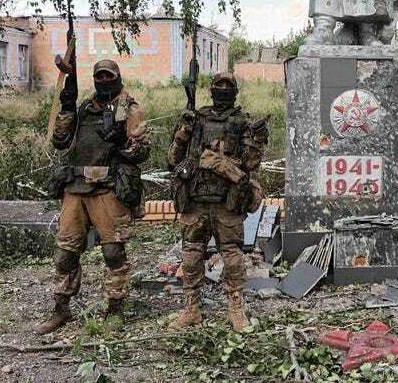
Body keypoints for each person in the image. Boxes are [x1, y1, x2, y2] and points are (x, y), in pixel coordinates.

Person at [36, 59, 150, 335]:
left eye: (108, 77)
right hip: (75, 188)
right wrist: (66, 107)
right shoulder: (84, 108)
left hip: (108, 189)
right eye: (99, 76)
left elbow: (143, 152)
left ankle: (114, 310)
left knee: (113, 252)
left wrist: (122, 142)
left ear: (118, 78)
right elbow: (60, 141)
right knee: (65, 253)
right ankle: (61, 308)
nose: (103, 81)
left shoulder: (129, 109)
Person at [167, 73, 268, 332]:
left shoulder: (243, 123)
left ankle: (236, 309)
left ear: (235, 91)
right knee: (191, 256)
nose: (223, 90)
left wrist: (257, 141)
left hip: (226, 202)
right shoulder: (196, 118)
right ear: (211, 89)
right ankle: (192, 309)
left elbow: (250, 165)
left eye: (228, 86)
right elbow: (174, 159)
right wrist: (183, 133)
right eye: (219, 86)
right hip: (196, 200)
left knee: (233, 258)